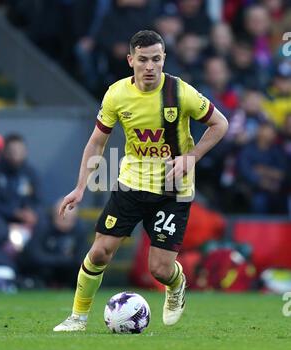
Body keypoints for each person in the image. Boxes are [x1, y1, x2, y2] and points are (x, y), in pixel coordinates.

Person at [53, 30, 228, 332]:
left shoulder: (180, 92)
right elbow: (97, 143)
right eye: (144, 60)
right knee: (99, 252)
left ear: (164, 59)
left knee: (159, 270)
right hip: (131, 184)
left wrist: (192, 156)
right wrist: (80, 186)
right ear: (130, 60)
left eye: (157, 59)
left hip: (174, 189)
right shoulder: (117, 94)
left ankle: (176, 283)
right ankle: (78, 318)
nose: (150, 67)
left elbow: (219, 123)